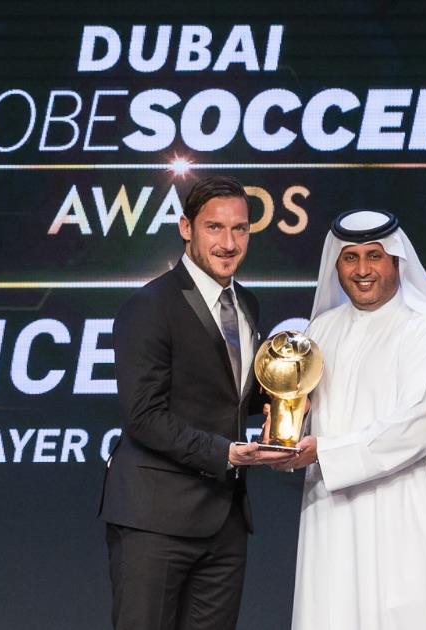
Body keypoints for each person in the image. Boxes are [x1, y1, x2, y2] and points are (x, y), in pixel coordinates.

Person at [99, 175, 292, 630]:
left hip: (225, 522)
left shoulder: (246, 304)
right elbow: (144, 416)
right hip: (155, 520)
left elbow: (226, 393)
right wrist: (225, 453)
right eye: (214, 228)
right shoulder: (150, 306)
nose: (229, 243)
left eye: (240, 229)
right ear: (186, 228)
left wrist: (280, 398)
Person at [276, 210, 426, 630]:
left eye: (374, 256)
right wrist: (285, 427)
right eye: (350, 257)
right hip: (331, 516)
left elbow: (418, 429)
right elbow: (304, 420)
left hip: (406, 517)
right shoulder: (321, 332)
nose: (362, 270)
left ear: (396, 260)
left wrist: (324, 452)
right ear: (336, 264)